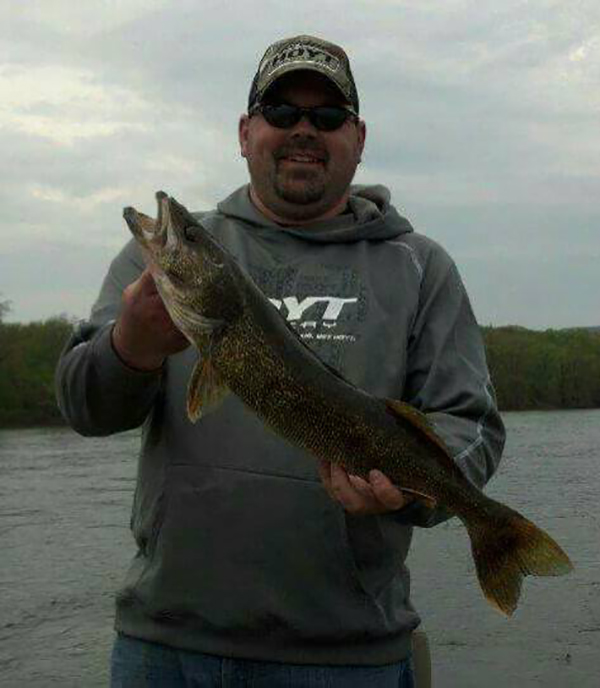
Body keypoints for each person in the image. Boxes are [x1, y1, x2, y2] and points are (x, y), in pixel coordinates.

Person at [56, 35, 505, 688]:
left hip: (348, 658)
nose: (303, 129)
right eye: (281, 111)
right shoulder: (155, 274)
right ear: (245, 132)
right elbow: (82, 408)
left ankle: (500, 535)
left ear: (358, 137)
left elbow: (471, 424)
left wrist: (415, 493)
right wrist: (132, 346)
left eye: (327, 116)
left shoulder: (419, 266)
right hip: (166, 650)